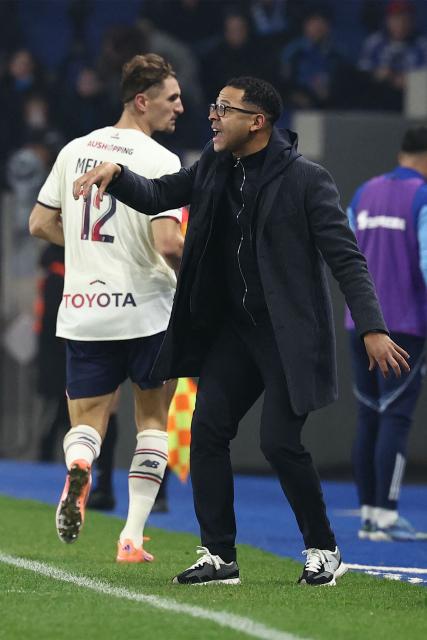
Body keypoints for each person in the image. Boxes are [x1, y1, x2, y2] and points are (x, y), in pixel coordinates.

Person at [73, 76, 410, 586]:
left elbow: (347, 259)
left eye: (224, 109)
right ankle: (218, 555)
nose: (212, 115)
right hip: (233, 332)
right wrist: (118, 173)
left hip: (287, 335)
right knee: (207, 432)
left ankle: (323, 548)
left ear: (258, 122)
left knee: (278, 442)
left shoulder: (307, 180)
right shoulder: (213, 164)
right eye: (215, 106)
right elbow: (160, 193)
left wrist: (372, 327)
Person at [29, 53, 184, 563]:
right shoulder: (161, 160)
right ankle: (132, 538)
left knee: (89, 421)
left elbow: (38, 222)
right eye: (171, 98)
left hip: (85, 306)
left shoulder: (75, 149)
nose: (180, 108)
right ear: (142, 101)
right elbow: (167, 243)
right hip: (148, 308)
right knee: (152, 422)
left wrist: (85, 252)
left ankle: (78, 467)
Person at [346, 126, 427, 542]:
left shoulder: (364, 193)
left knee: (369, 416)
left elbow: (343, 251)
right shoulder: (423, 196)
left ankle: (368, 515)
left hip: (359, 324)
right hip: (405, 326)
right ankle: (387, 517)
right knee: (394, 416)